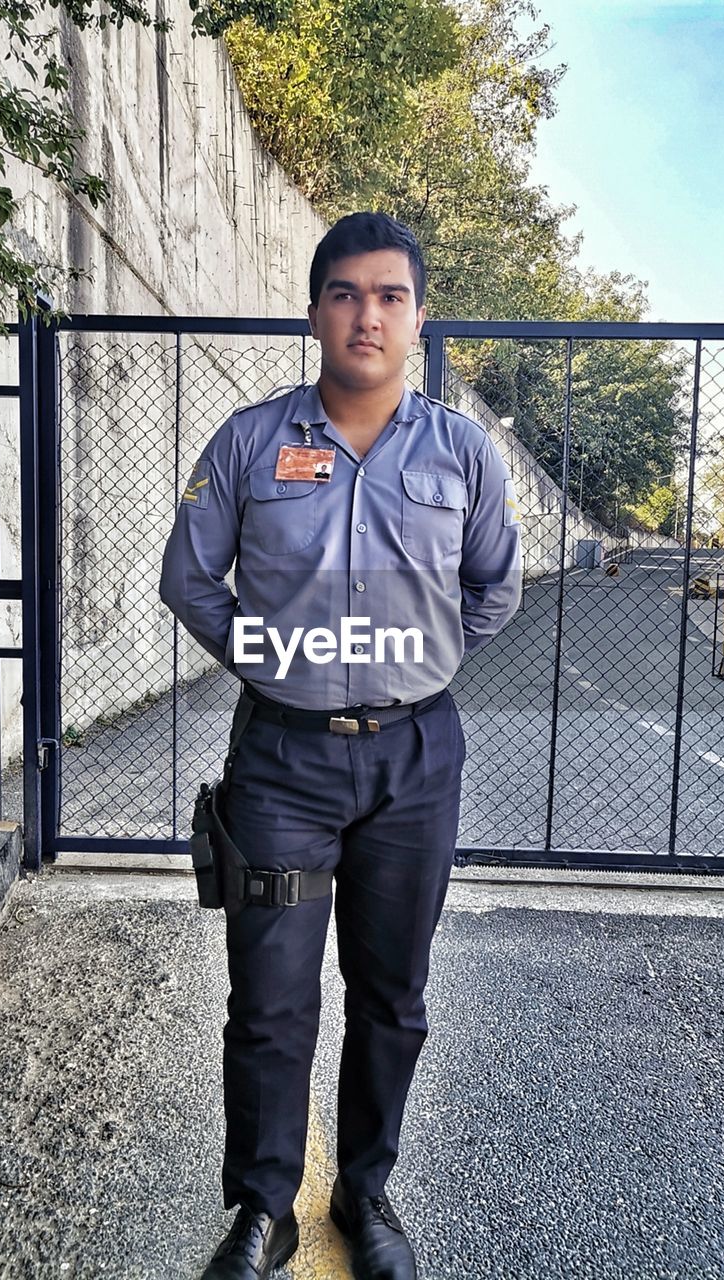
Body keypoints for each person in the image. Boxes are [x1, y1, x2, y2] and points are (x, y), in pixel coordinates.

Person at [159, 212, 522, 1280]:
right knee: (269, 999)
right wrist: (277, 654)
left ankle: (365, 1196)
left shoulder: (462, 450)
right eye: (346, 293)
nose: (368, 313)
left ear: (415, 317)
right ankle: (262, 1210)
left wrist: (424, 656)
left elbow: (492, 587)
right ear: (315, 310)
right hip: (280, 764)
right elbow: (190, 580)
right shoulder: (248, 442)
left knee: (391, 993)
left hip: (414, 761)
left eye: (390, 295)